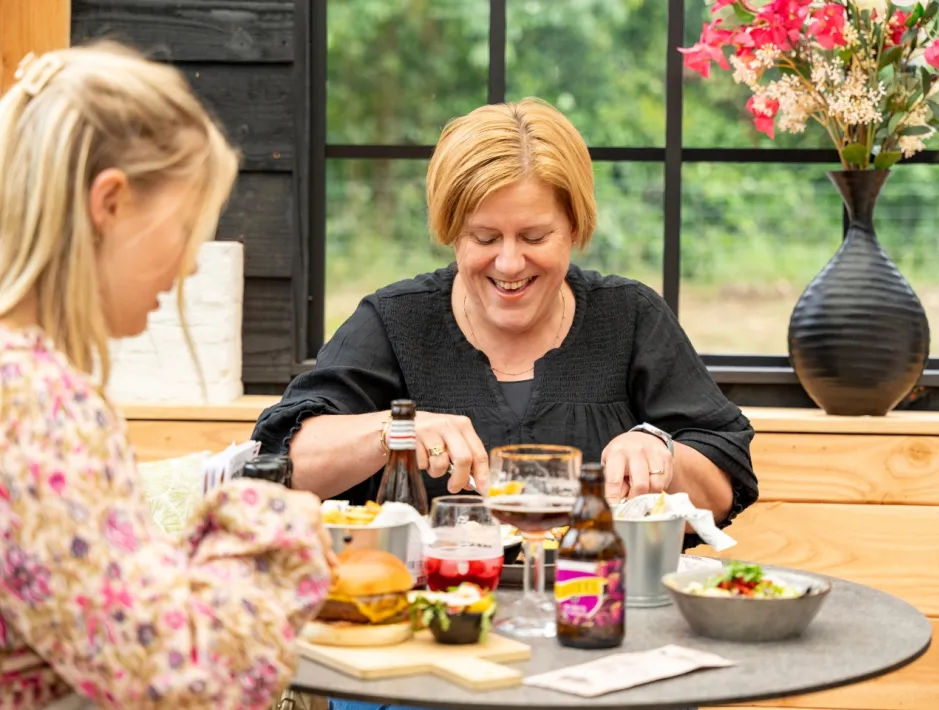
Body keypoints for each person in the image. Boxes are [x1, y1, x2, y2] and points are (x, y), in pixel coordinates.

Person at [256, 97, 755, 710]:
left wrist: (661, 450)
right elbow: (283, 465)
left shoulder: (628, 318)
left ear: (576, 227)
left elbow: (723, 483)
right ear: (450, 232)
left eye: (536, 236)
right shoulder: (395, 321)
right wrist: (395, 430)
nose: (510, 263)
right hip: (424, 666)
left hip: (603, 655)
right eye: (484, 237)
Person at [0, 44, 336, 710]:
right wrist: (271, 533)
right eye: (184, 228)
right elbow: (174, 682)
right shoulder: (37, 404)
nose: (188, 268)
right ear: (111, 202)